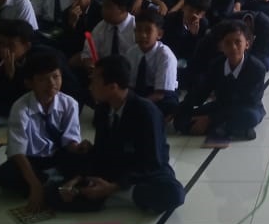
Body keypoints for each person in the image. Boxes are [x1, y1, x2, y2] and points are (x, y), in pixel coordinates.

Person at [46, 55, 185, 214]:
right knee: (58, 183)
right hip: (113, 168)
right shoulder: (103, 109)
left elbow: (152, 162)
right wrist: (77, 179)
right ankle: (104, 195)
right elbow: (101, 153)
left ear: (112, 87)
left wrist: (113, 187)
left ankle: (114, 195)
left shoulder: (146, 112)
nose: (90, 87)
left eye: (94, 82)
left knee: (173, 193)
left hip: (143, 173)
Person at [0, 52, 88, 211]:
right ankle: (50, 182)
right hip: (32, 159)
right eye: (42, 79)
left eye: (56, 76)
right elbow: (18, 152)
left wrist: (78, 148)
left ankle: (51, 181)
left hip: (58, 155)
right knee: (5, 175)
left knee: (88, 157)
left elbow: (69, 141)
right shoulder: (20, 108)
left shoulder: (69, 103)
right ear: (29, 83)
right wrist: (35, 185)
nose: (51, 83)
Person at [175, 19, 266, 143]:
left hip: (245, 108)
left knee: (250, 117)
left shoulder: (257, 68)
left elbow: (248, 101)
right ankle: (231, 129)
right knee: (180, 120)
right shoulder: (216, 65)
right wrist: (179, 109)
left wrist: (210, 119)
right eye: (227, 43)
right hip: (220, 106)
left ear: (247, 44)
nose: (233, 47)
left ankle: (219, 127)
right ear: (221, 46)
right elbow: (201, 93)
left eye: (238, 42)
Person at [127, 10, 179, 117]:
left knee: (167, 106)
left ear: (159, 34)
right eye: (138, 30)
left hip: (161, 94)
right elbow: (129, 85)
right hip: (139, 91)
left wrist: (138, 104)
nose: (142, 35)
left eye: (148, 30)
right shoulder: (131, 53)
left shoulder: (165, 55)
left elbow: (160, 94)